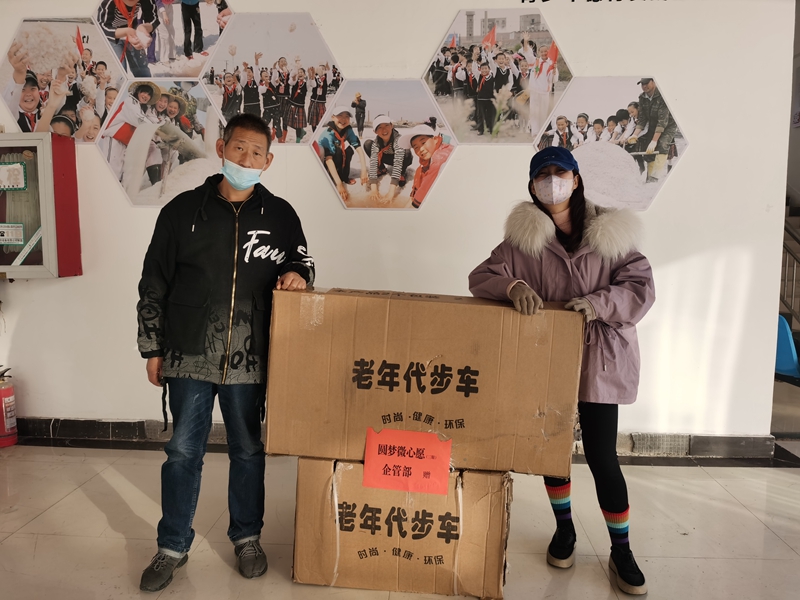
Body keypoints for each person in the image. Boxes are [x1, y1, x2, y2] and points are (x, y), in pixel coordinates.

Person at [136, 112, 315, 592]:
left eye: (257, 153)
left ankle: (247, 537)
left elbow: (303, 262)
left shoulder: (280, 215)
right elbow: (153, 281)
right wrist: (151, 345)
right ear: (221, 148)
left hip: (249, 355)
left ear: (268, 161)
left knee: (248, 449)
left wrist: (298, 275)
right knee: (182, 451)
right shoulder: (181, 211)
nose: (246, 159)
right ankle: (172, 545)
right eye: (239, 148)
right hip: (188, 350)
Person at [468, 146, 654, 597]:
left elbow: (640, 287)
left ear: (576, 179)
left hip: (599, 361)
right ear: (532, 186)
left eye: (561, 173)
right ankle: (565, 530)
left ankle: (621, 549)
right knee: (552, 450)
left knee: (602, 456)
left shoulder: (610, 234)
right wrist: (512, 285)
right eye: (543, 175)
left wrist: (597, 302)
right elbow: (480, 277)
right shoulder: (523, 241)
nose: (552, 182)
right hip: (548, 361)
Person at [626, 78, 678, 183]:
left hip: (668, 125)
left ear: (653, 82)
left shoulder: (663, 95)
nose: (644, 86)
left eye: (646, 83)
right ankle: (649, 177)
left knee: (662, 145)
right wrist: (635, 135)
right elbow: (642, 119)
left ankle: (655, 177)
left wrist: (654, 141)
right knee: (648, 150)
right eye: (642, 84)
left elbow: (662, 121)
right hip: (653, 125)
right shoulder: (642, 97)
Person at [317, 106, 368, 202]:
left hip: (335, 157)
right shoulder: (328, 134)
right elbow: (328, 160)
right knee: (338, 151)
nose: (343, 119)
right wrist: (339, 185)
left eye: (347, 116)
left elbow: (359, 149)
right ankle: (334, 178)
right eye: (340, 116)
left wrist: (364, 171)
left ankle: (344, 177)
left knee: (349, 150)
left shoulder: (348, 130)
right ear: (333, 117)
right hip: (325, 162)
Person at [97, 0, 159, 77]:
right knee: (120, 70)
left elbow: (153, 19)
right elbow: (102, 26)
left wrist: (144, 28)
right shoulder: (108, 2)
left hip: (133, 31)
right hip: (113, 36)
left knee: (141, 69)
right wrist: (125, 32)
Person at [399, 123, 453, 209]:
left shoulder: (440, 158)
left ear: (435, 139)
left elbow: (416, 205)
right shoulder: (425, 164)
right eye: (416, 147)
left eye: (423, 142)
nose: (421, 149)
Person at [363, 114, 412, 204]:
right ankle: (382, 169)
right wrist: (374, 190)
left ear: (392, 126)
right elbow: (373, 163)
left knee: (407, 151)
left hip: (402, 159)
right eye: (380, 127)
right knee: (367, 144)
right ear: (375, 131)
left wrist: (390, 193)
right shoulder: (377, 142)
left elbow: (398, 162)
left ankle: (402, 173)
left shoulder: (398, 139)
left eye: (386, 125)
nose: (384, 130)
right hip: (387, 157)